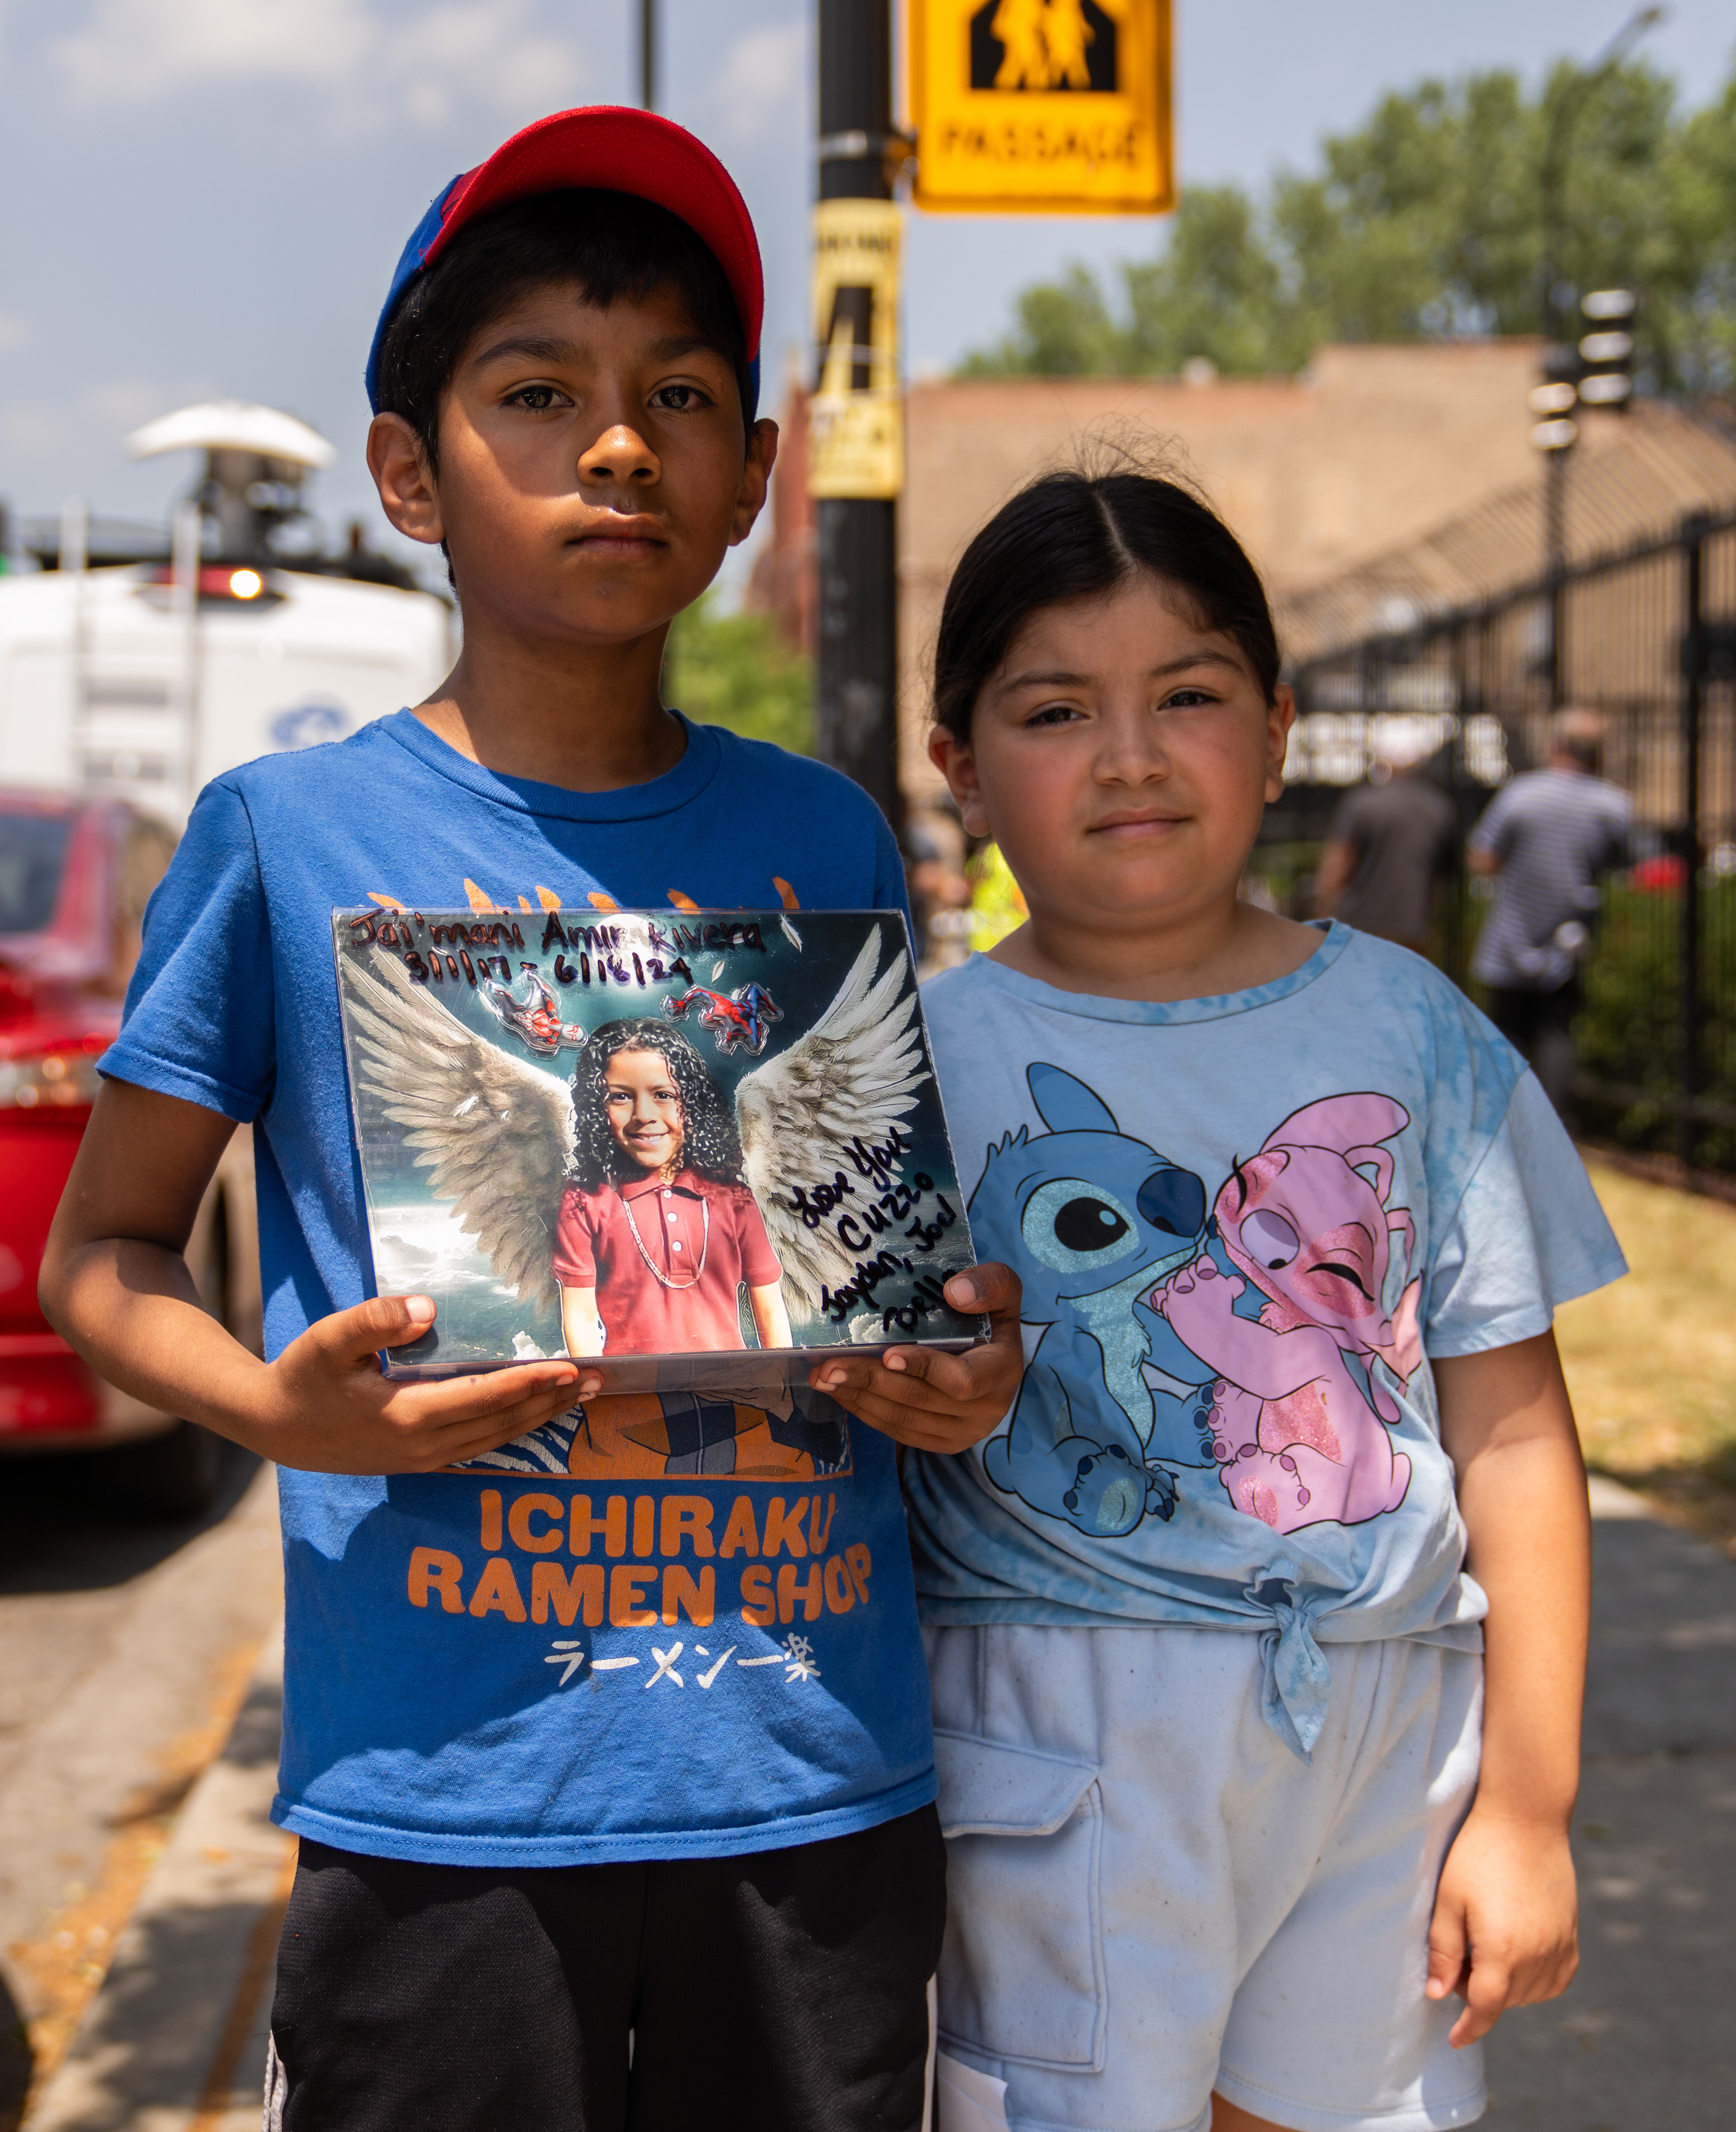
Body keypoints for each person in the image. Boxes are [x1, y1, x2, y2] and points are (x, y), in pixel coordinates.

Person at [38, 107, 1025, 2132]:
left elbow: (876, 1244)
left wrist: (957, 1367)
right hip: (443, 1806)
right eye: (535, 392)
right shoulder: (284, 835)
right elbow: (102, 1253)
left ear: (753, 476)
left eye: (679, 392)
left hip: (813, 1786)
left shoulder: (820, 836)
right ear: (407, 469)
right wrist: (273, 1410)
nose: (614, 441)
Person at [901, 460, 1626, 2132]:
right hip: (1065, 1719)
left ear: (1283, 726)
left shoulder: (1413, 1029)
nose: (1134, 753)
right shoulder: (920, 1054)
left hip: (1388, 1713)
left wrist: (1527, 1800)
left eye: (1191, 694)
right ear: (960, 764)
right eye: (1058, 707)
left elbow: (1511, 1434)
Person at [555, 1018, 792, 1357]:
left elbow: (769, 1309)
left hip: (734, 1392)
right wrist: (598, 1390)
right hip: (631, 1397)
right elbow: (579, 1316)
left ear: (692, 1104)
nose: (644, 1114)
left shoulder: (736, 1201)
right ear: (598, 1108)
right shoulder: (585, 1202)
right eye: (621, 1096)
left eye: (663, 1095)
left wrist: (781, 1380)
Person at [1468, 709, 1632, 1120]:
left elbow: (1482, 858)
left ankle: (1509, 1124)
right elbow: (1626, 866)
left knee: (1508, 1034)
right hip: (1569, 939)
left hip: (1511, 934)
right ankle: (1555, 1126)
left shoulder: (1520, 793)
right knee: (1558, 1032)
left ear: (1555, 746)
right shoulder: (1613, 805)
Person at [1313, 724, 1459, 956]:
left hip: (1358, 927)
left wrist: (1322, 917)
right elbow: (1444, 877)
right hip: (1413, 930)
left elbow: (1337, 866)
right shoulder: (1439, 808)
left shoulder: (1362, 803)